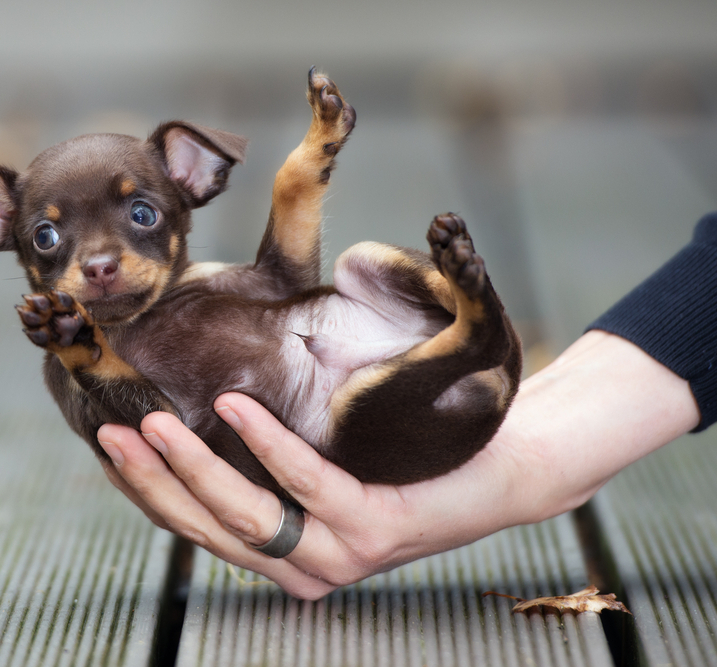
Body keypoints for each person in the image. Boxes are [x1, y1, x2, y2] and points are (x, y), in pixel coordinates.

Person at [96, 212, 717, 601]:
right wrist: (528, 455)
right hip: (416, 402)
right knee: (362, 304)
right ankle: (472, 324)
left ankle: (469, 324)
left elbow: (278, 276)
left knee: (359, 265)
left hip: (382, 346)